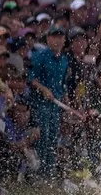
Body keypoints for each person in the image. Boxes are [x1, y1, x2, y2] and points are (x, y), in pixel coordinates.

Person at [27, 26, 70, 180]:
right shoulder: (39, 56)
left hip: (56, 106)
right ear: (47, 39)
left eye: (60, 37)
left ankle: (49, 174)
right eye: (54, 37)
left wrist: (66, 98)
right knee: (43, 137)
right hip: (41, 104)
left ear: (64, 40)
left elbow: (62, 83)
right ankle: (39, 173)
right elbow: (31, 79)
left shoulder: (65, 59)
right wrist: (44, 89)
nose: (57, 40)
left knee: (53, 138)